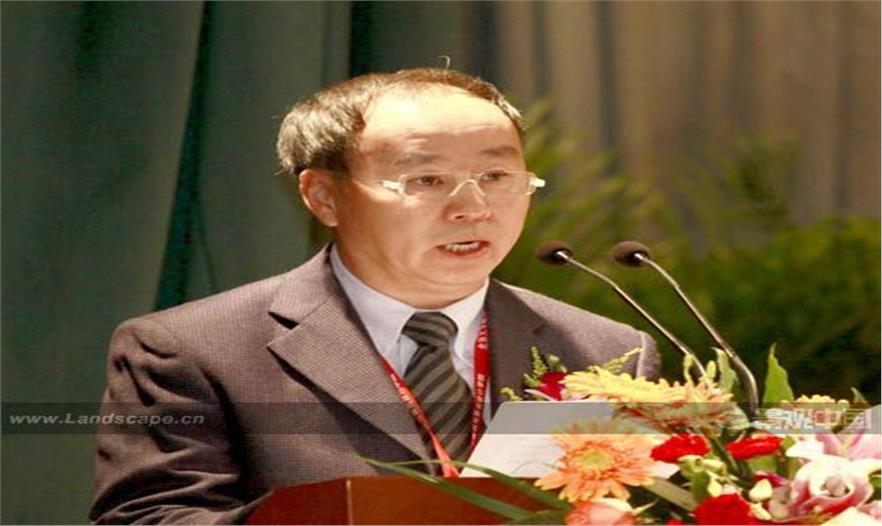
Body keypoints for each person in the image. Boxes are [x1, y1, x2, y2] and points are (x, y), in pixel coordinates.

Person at [90, 68, 659, 524]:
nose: (473, 208)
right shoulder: (190, 350)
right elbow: (151, 518)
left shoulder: (608, 352)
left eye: (495, 177)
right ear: (323, 196)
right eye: (425, 181)